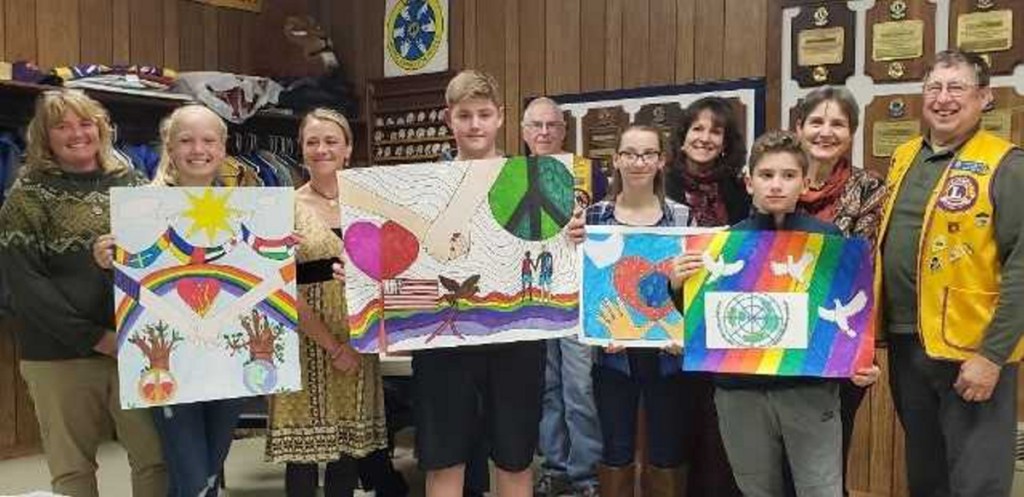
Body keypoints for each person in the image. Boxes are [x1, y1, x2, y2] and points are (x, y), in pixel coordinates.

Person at [672, 130, 879, 497]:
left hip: (809, 392)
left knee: (821, 489)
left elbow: (846, 317)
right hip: (740, 394)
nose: (777, 185)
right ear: (749, 182)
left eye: (788, 176)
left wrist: (861, 360)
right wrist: (679, 285)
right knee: (756, 489)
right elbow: (700, 324)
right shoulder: (723, 244)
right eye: (766, 175)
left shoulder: (831, 242)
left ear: (804, 182)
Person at [0, 89, 167, 497]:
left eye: (86, 122)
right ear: (44, 136)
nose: (77, 133)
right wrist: (96, 338)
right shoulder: (26, 197)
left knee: (156, 459)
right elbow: (27, 288)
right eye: (62, 126)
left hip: (136, 349)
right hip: (60, 356)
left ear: (102, 128)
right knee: (73, 469)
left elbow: (161, 260)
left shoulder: (133, 184)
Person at [879, 50, 1024, 497]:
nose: (943, 99)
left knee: (977, 481)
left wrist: (991, 356)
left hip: (972, 352)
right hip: (908, 344)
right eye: (934, 88)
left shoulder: (1008, 164)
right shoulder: (905, 156)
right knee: (927, 477)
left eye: (957, 88)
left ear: (984, 98)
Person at [94, 104, 253, 497]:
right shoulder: (142, 207)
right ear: (169, 145)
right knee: (192, 474)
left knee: (210, 472)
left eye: (208, 140)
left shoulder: (248, 209)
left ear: (223, 146)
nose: (198, 149)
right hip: (167, 359)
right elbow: (133, 278)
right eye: (186, 140)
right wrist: (107, 257)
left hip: (227, 361)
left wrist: (280, 251)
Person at [413, 69, 545, 497]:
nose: (474, 124)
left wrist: (570, 234)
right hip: (444, 339)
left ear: (501, 117)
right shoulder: (423, 189)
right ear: (448, 118)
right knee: (444, 459)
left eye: (484, 114)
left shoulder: (530, 182)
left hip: (517, 337)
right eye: (465, 115)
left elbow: (549, 253)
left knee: (515, 457)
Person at [265, 107, 393, 497]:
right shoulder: (282, 207)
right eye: (313, 142)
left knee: (347, 451)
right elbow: (278, 284)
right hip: (303, 334)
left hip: (359, 336)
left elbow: (390, 269)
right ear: (302, 150)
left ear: (348, 149)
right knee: (302, 455)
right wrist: (331, 345)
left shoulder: (370, 204)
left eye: (331, 141)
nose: (322, 149)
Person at [792, 85, 887, 497]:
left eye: (837, 123)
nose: (825, 131)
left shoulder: (870, 188)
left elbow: (863, 266)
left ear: (852, 133)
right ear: (799, 128)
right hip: (782, 340)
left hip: (841, 340)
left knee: (829, 455)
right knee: (778, 454)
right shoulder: (775, 180)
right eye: (816, 121)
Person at [588, 124, 691, 497]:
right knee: (615, 447)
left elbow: (692, 286)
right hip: (613, 354)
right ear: (615, 160)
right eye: (629, 153)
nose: (638, 162)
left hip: (667, 354)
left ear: (661, 161)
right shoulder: (596, 216)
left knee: (666, 449)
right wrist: (598, 332)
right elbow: (587, 284)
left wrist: (682, 331)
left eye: (648, 153)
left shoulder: (681, 217)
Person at [670, 97, 750, 497]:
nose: (704, 137)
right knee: (677, 426)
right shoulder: (659, 182)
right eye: (696, 129)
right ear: (682, 137)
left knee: (719, 427)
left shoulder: (740, 190)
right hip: (672, 325)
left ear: (725, 141)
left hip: (725, 325)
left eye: (714, 131)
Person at [522, 96, 602, 497]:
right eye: (536, 125)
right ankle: (555, 467)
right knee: (546, 387)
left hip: (577, 296)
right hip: (530, 297)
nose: (544, 132)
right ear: (523, 132)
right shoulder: (510, 176)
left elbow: (605, 231)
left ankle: (586, 475)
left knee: (579, 387)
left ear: (564, 130)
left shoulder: (587, 174)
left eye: (552, 125)